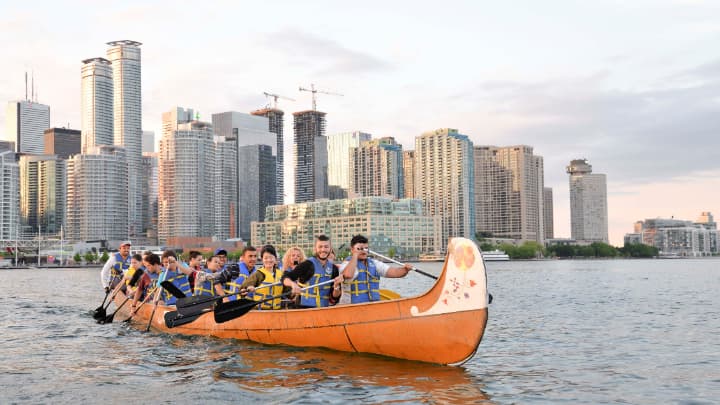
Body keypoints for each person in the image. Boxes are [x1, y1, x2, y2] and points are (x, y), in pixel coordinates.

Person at [340, 235, 412, 304]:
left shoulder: (374, 263)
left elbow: (395, 272)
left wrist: (405, 270)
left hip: (372, 305)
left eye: (366, 248)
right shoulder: (346, 264)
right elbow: (348, 275)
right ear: (352, 249)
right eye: (360, 248)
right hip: (351, 306)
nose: (363, 251)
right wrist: (355, 255)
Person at [282, 235, 343, 308]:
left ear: (330, 249)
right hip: (304, 307)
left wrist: (336, 287)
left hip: (324, 309)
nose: (323, 250)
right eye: (320, 247)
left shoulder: (334, 269)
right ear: (315, 248)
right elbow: (285, 278)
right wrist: (293, 284)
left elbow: (335, 297)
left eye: (326, 247)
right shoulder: (307, 264)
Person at [238, 245, 285, 310]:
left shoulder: (281, 275)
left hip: (277, 310)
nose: (269, 260)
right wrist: (248, 288)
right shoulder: (258, 274)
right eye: (266, 258)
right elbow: (243, 289)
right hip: (260, 310)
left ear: (275, 259)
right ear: (262, 260)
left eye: (271, 257)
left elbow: (288, 292)